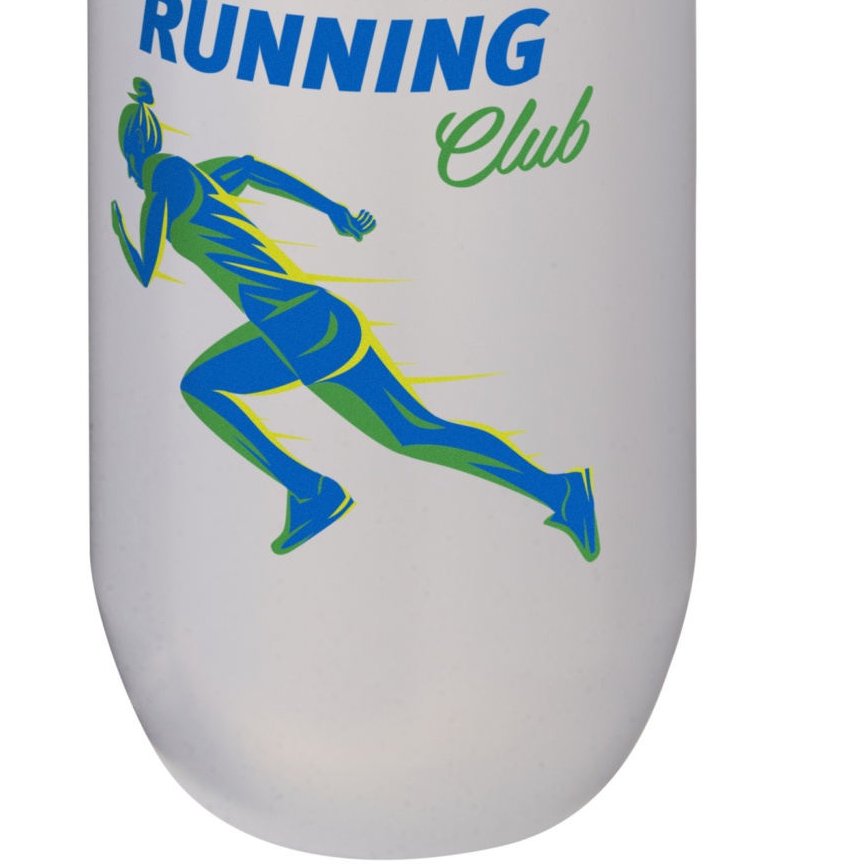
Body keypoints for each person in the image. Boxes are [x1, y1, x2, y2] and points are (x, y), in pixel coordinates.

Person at [108, 78, 599, 560]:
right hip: (299, 322)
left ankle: (555, 491)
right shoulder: (203, 177)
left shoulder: (161, 186)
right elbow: (252, 170)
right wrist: (331, 209)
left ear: (131, 154)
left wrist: (116, 227)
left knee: (413, 433)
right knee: (205, 385)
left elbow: (145, 268)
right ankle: (312, 492)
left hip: (303, 332)